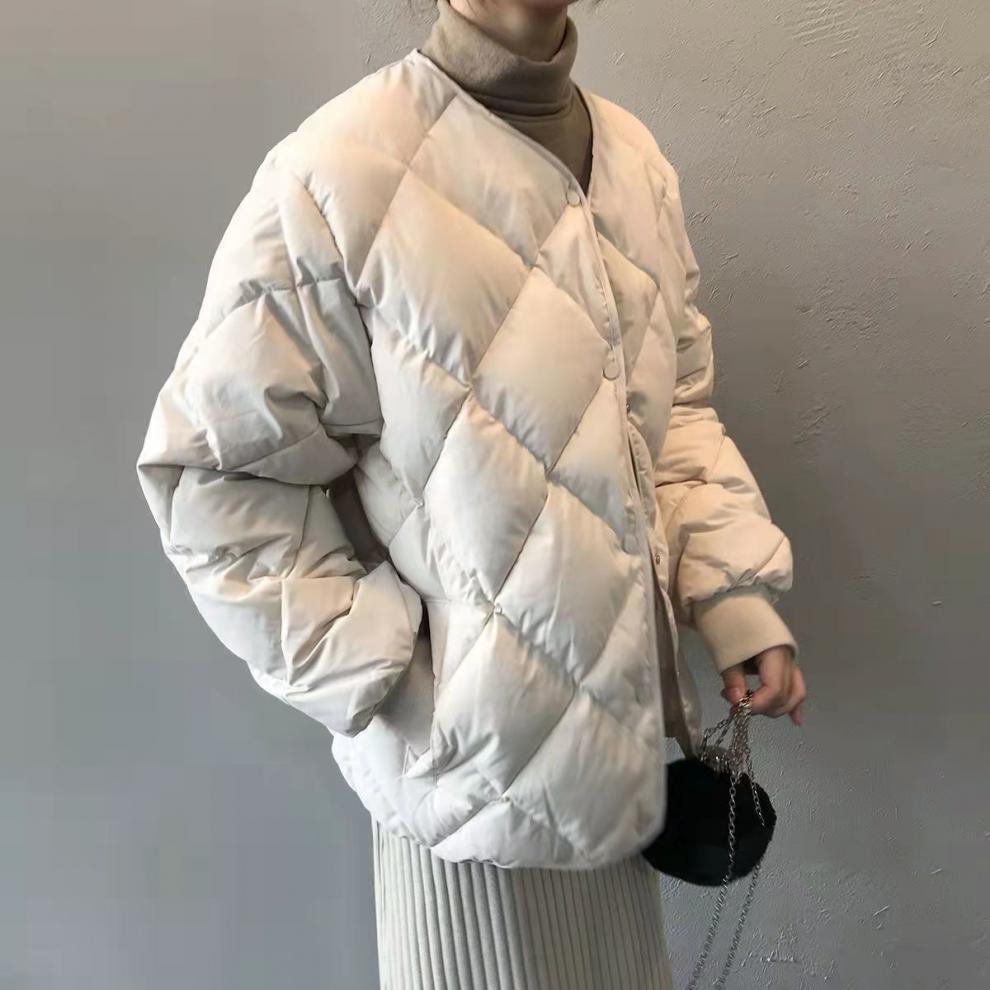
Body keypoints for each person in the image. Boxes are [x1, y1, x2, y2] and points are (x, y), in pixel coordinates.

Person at [135, 0, 807, 986]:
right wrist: (404, 685)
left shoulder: (633, 162)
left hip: (621, 777)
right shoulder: (340, 170)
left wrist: (732, 595)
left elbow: (672, 417)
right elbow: (214, 476)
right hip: (463, 805)